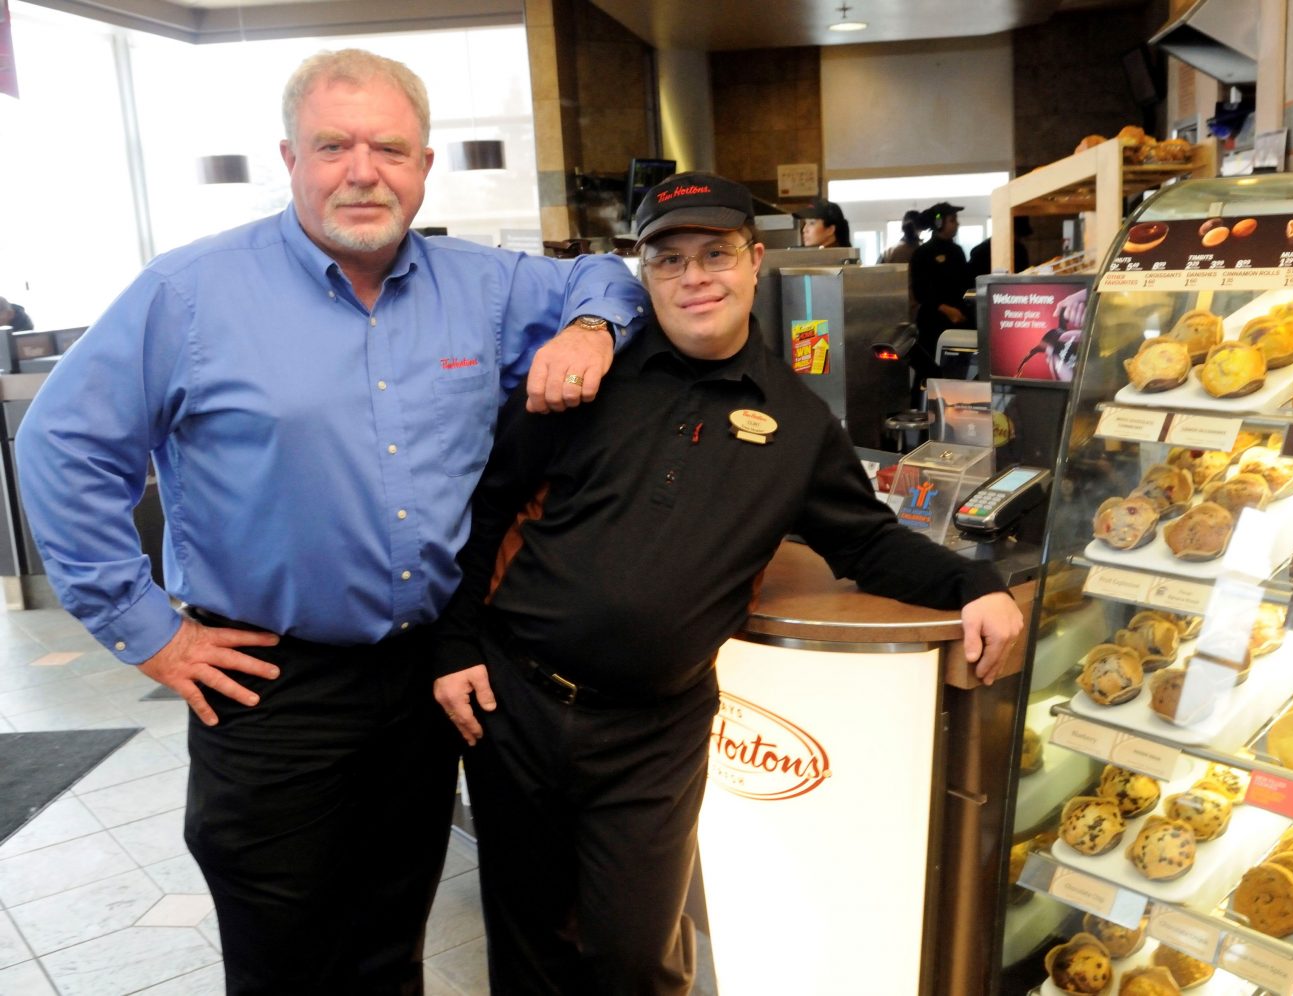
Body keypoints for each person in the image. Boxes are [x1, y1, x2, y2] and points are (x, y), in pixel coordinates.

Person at [16, 48, 647, 996]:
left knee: (392, 943)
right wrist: (148, 633)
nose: (363, 171)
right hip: (270, 682)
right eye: (333, 146)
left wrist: (592, 328)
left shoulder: (483, 288)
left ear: (425, 167)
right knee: (286, 960)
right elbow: (61, 448)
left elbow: (614, 278)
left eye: (390, 148)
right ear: (290, 158)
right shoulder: (189, 294)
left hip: (423, 682)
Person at [431, 171, 1024, 995]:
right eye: (669, 260)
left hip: (652, 733)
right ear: (646, 276)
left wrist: (974, 584)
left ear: (753, 263)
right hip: (516, 704)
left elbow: (867, 542)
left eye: (716, 254)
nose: (695, 276)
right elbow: (485, 508)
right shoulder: (583, 379)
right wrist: (456, 645)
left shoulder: (797, 420)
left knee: (634, 956)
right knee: (529, 940)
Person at [908, 200, 972, 399]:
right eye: (952, 220)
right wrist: (945, 309)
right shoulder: (923, 253)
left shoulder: (958, 251)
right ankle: (922, 418)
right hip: (933, 324)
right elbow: (921, 291)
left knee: (956, 374)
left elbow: (965, 284)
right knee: (930, 373)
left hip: (958, 323)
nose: (957, 224)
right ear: (939, 223)